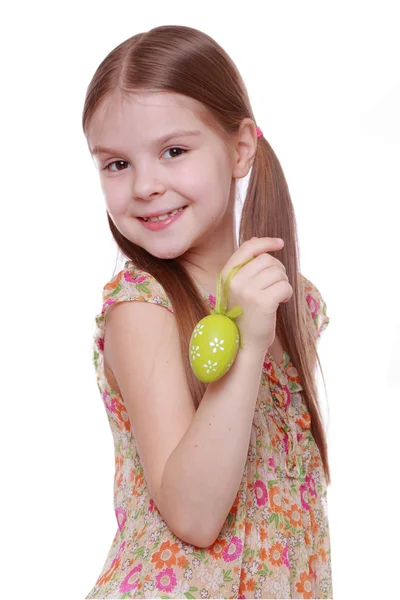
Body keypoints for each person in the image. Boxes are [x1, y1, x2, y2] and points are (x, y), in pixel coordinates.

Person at [83, 25, 333, 600]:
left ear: (240, 147)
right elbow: (194, 516)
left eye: (173, 151)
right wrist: (246, 345)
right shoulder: (142, 306)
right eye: (116, 164)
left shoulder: (292, 302)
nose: (145, 185)